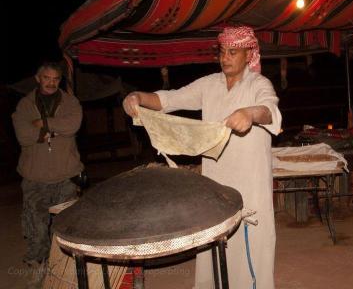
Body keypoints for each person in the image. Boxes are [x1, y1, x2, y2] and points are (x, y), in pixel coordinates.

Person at [123, 26, 282, 289]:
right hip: (215, 182)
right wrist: (137, 97)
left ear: (249, 54)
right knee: (215, 239)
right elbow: (169, 100)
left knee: (250, 243)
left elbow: (269, 109)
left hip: (250, 183)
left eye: (233, 52)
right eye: (222, 52)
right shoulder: (209, 84)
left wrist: (250, 114)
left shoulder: (258, 84)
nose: (225, 57)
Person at [12, 62, 84, 268]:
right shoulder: (25, 104)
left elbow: (72, 125)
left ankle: (65, 266)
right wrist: (51, 130)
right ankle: (36, 265)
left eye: (55, 79)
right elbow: (23, 136)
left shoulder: (71, 102)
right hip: (35, 177)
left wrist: (42, 123)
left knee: (66, 225)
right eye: (46, 78)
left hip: (67, 175)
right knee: (37, 226)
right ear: (38, 78)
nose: (51, 83)